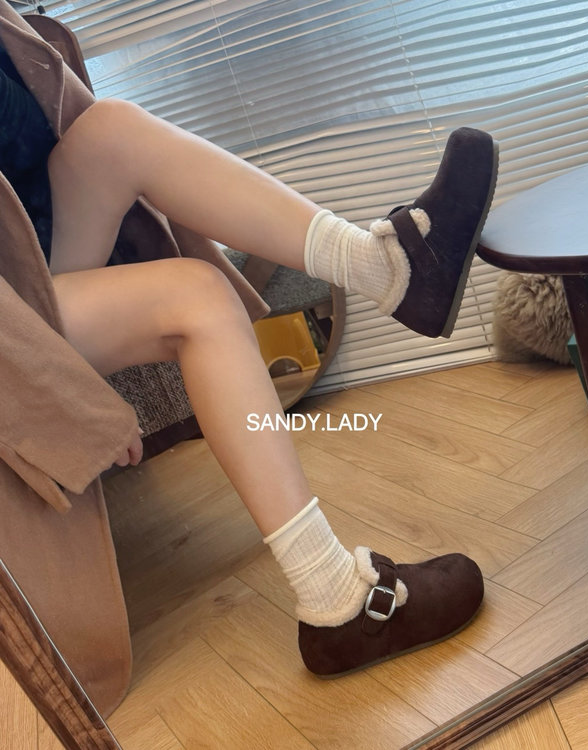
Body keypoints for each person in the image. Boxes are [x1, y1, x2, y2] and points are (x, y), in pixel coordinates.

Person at [0, 7, 497, 677]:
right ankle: (333, 599)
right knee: (197, 297)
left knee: (111, 130)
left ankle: (387, 270)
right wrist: (64, 394)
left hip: (28, 265)